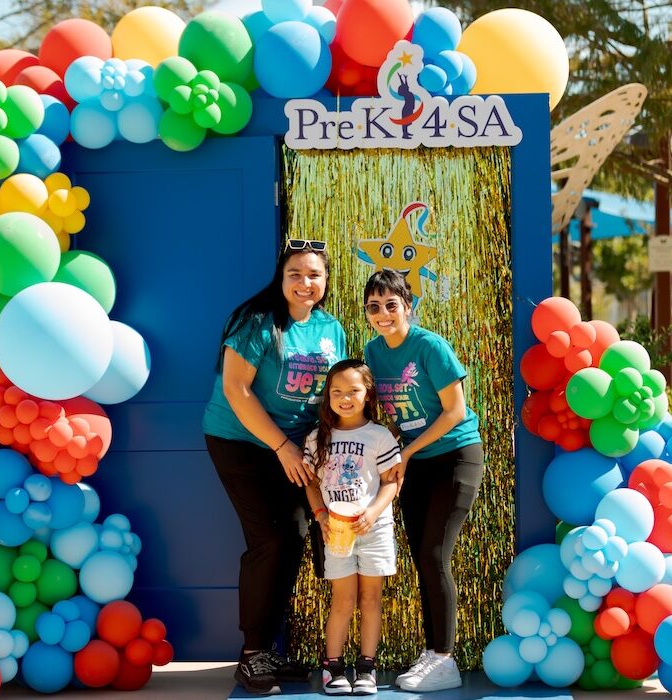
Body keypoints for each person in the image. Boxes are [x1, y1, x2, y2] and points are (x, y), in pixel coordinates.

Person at [203, 239, 347, 695]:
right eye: (295, 275)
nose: (305, 283)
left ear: (325, 281)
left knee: (296, 539)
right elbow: (236, 389)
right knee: (269, 539)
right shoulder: (258, 321)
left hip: (296, 449)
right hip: (243, 442)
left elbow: (333, 393)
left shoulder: (330, 328)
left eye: (314, 275)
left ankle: (270, 651)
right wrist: (282, 446)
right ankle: (252, 654)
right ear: (280, 278)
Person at [361, 270, 484, 693]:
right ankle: (433, 653)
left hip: (455, 456)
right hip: (416, 462)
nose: (383, 314)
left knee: (435, 554)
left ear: (407, 307)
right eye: (374, 307)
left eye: (391, 305)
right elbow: (384, 413)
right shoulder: (372, 353)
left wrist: (406, 453)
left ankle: (445, 660)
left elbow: (453, 410)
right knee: (422, 559)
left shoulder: (429, 346)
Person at [303, 359, 401, 696]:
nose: (345, 398)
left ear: (368, 394)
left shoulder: (379, 435)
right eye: (337, 392)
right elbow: (311, 484)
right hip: (337, 532)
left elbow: (392, 482)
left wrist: (373, 513)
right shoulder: (317, 438)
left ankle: (367, 667)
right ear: (328, 396)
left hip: (374, 529)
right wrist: (320, 516)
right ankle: (334, 668)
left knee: (371, 598)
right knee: (342, 600)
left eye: (353, 390)